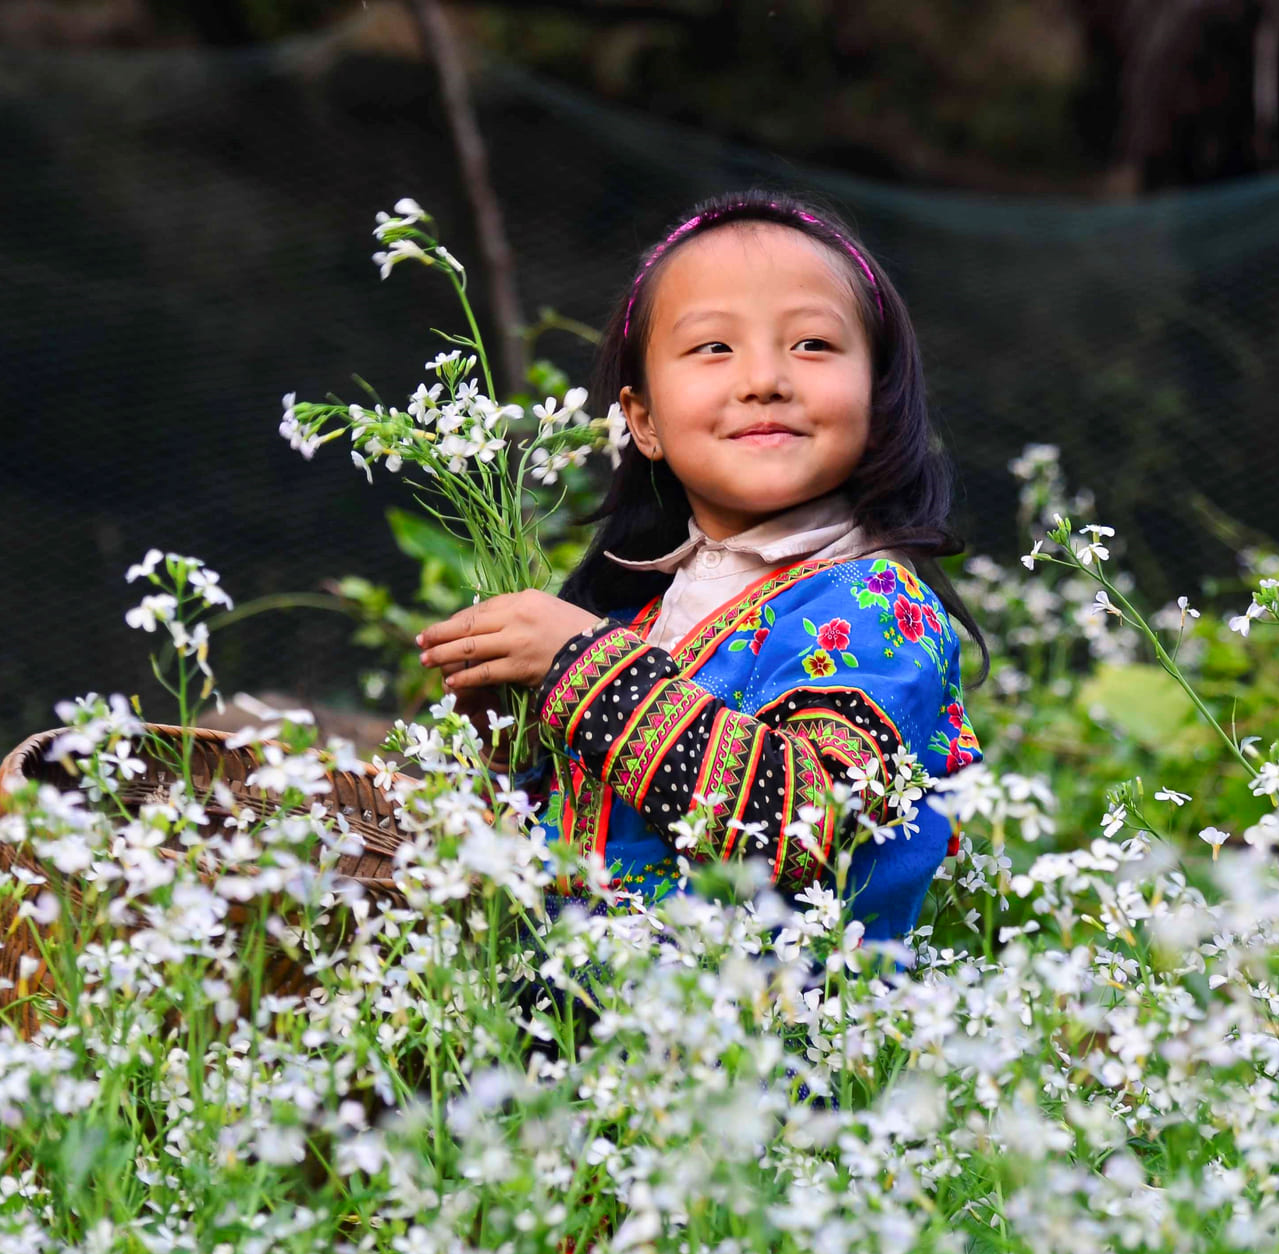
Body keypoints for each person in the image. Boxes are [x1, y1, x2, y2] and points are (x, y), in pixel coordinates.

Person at [415, 188, 986, 960]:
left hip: (776, 1057)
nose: (764, 380)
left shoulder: (877, 605)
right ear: (643, 421)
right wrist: (499, 735)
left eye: (813, 345)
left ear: (878, 403)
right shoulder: (641, 620)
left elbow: (805, 829)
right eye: (714, 348)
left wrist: (581, 668)